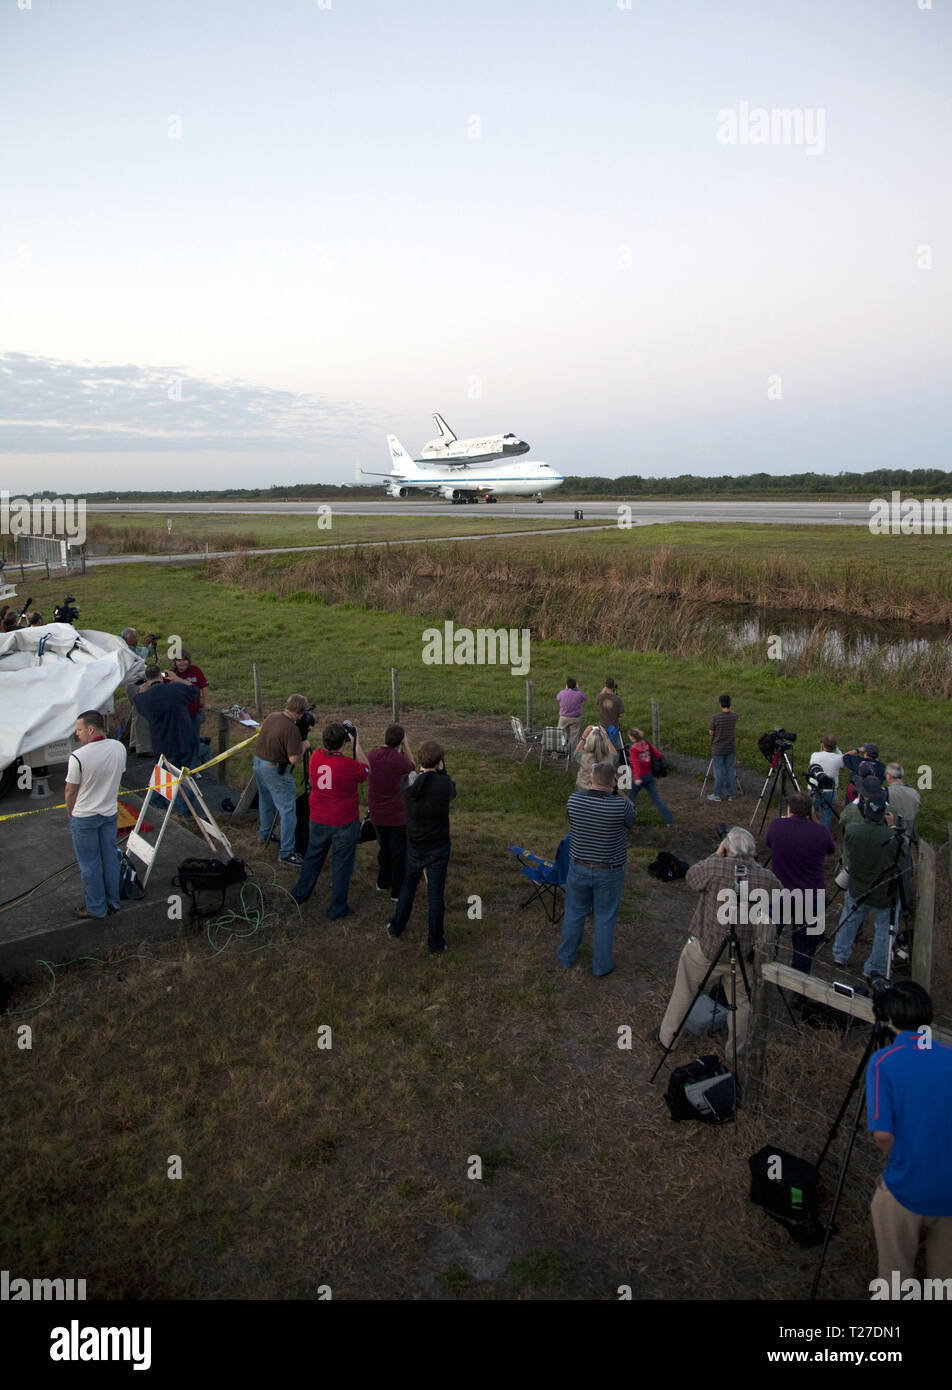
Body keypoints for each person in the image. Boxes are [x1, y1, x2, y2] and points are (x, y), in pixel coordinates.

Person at [657, 827, 781, 1055]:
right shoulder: (765, 878)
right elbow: (778, 892)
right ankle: (736, 1049)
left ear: (726, 847)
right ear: (753, 852)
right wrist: (755, 868)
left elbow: (691, 878)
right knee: (741, 1002)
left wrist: (716, 854)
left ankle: (668, 1039)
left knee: (685, 991)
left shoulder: (715, 866)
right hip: (743, 954)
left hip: (707, 948)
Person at [865, 981, 952, 1285]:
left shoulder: (883, 1063)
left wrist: (899, 1159)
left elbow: (882, 1135)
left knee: (894, 1278)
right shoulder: (949, 1055)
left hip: (907, 1185)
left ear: (889, 1017)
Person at [558, 760, 635, 977]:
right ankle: (601, 966)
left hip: (579, 866)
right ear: (613, 781)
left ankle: (566, 957)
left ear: (591, 778)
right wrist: (618, 791)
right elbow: (633, 817)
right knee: (605, 917)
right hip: (609, 870)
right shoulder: (620, 806)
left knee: (574, 912)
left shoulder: (574, 801)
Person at [290, 722, 370, 917]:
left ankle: (301, 893)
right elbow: (367, 769)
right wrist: (357, 743)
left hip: (318, 817)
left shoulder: (316, 757)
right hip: (343, 821)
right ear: (343, 742)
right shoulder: (349, 766)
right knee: (341, 866)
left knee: (312, 857)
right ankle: (337, 907)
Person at [387, 741, 456, 954]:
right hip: (438, 846)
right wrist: (442, 772)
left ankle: (397, 926)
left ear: (420, 760)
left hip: (415, 845)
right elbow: (451, 790)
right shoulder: (444, 785)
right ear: (440, 762)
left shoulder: (406, 782)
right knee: (435, 895)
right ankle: (435, 943)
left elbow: (419, 781)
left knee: (408, 887)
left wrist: (431, 770)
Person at [832, 778, 903, 980]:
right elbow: (901, 854)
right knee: (884, 931)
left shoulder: (855, 832)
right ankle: (874, 968)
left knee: (849, 918)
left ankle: (840, 953)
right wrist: (892, 828)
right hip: (885, 891)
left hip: (858, 885)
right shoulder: (891, 837)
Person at [64, 710, 127, 920]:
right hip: (109, 813)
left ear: (91, 729)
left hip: (85, 817)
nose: (77, 734)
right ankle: (113, 902)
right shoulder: (119, 748)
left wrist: (71, 815)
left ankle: (96, 908)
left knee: (89, 864)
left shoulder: (78, 757)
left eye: (80, 730)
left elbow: (70, 791)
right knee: (110, 858)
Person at [764, 792, 834, 973]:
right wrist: (815, 821)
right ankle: (799, 989)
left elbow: (768, 843)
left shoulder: (777, 826)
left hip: (782, 895)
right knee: (805, 949)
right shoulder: (820, 832)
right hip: (812, 898)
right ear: (810, 810)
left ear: (789, 809)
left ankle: (764, 972)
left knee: (770, 936)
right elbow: (830, 849)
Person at [253, 694, 311, 866]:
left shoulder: (272, 716)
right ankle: (286, 852)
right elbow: (294, 759)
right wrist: (304, 745)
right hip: (274, 769)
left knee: (266, 801)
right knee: (287, 810)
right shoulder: (291, 729)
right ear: (300, 712)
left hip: (258, 762)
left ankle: (264, 834)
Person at [133, 665, 198, 813]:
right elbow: (194, 691)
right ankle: (185, 809)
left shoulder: (145, 698)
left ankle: (159, 806)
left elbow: (137, 700)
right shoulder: (175, 688)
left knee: (163, 774)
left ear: (148, 680)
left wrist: (143, 688)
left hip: (162, 742)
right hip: (184, 739)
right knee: (185, 775)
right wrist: (177, 679)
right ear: (162, 676)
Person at [367, 724, 415, 901]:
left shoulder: (372, 755)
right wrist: (407, 744)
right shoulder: (400, 761)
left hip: (377, 815)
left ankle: (382, 881)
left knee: (384, 849)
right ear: (400, 741)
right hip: (396, 817)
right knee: (398, 853)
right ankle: (397, 891)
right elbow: (412, 766)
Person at [627, 727, 674, 826]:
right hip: (650, 775)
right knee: (656, 799)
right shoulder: (647, 744)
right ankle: (669, 820)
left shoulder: (633, 749)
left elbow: (635, 763)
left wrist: (637, 778)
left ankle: (628, 822)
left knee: (631, 799)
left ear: (632, 737)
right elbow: (657, 754)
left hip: (640, 777)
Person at [171, 649, 209, 769]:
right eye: (179, 660)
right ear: (174, 662)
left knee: (194, 740)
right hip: (177, 715)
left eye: (185, 660)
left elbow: (204, 686)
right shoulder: (170, 674)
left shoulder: (195, 670)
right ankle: (178, 766)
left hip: (193, 713)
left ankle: (192, 767)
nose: (182, 663)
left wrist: (206, 702)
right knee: (179, 740)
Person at [807, 734, 844, 830]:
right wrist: (836, 749)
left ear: (822, 745)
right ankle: (824, 836)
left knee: (810, 814)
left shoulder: (815, 755)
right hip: (830, 791)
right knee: (827, 815)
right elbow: (843, 761)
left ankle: (809, 834)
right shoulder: (839, 758)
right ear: (835, 747)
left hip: (814, 789)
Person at [707, 693, 739, 803]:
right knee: (730, 770)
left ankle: (717, 794)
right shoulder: (735, 716)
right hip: (730, 747)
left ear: (720, 704)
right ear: (730, 703)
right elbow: (735, 714)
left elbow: (711, 732)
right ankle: (731, 794)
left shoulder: (715, 718)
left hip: (718, 748)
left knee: (719, 771)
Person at [574, 722, 618, 791]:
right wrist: (607, 737)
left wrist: (583, 737)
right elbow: (616, 756)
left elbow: (576, 754)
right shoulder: (610, 757)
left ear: (589, 741)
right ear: (604, 742)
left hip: (584, 789)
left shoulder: (583, 756)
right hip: (604, 790)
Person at [884, 763, 920, 838]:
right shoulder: (914, 793)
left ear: (889, 776)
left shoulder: (885, 792)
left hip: (890, 837)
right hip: (907, 837)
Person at [555, 678, 587, 752]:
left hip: (563, 718)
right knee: (574, 737)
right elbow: (585, 698)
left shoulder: (562, 693)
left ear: (566, 685)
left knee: (560, 734)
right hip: (575, 718)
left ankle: (560, 750)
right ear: (575, 686)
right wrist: (578, 689)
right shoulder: (579, 694)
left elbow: (558, 698)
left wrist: (566, 690)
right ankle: (571, 752)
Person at [595, 678, 624, 753]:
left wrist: (604, 688)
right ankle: (611, 762)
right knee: (612, 748)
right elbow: (621, 715)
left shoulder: (600, 697)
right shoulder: (618, 699)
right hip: (613, 726)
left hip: (602, 726)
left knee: (601, 746)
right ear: (614, 686)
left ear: (605, 685)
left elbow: (598, 699)